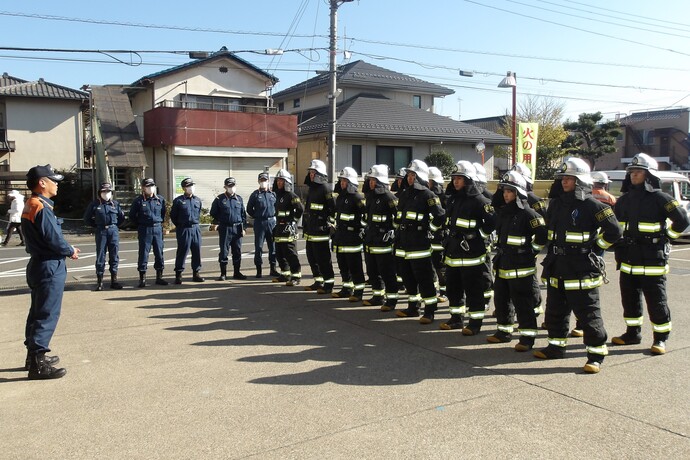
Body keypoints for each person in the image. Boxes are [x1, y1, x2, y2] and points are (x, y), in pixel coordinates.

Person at [535, 157, 622, 374]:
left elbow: (615, 231)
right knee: (556, 310)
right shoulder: (555, 204)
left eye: (569, 178)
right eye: (563, 177)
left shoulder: (594, 205)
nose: (564, 181)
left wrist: (595, 247)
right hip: (557, 265)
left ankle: (596, 354)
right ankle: (555, 347)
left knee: (588, 313)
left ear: (580, 180)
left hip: (581, 266)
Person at [612, 153, 689, 355]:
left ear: (649, 175)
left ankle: (660, 338)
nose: (633, 175)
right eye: (631, 172)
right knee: (629, 301)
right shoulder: (623, 201)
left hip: (652, 259)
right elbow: (617, 228)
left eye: (638, 172)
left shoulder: (661, 199)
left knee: (657, 301)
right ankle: (632, 334)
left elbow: (683, 221)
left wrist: (666, 237)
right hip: (629, 260)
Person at [21, 164, 80, 379]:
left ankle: (33, 356)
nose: (56, 184)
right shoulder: (42, 207)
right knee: (47, 313)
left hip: (38, 264)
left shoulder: (32, 204)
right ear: (42, 183)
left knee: (37, 312)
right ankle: (38, 364)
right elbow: (53, 239)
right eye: (53, 180)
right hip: (49, 265)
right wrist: (70, 250)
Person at [489, 171, 547, 350]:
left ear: (518, 193)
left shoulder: (529, 214)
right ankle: (504, 332)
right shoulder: (503, 213)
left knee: (523, 303)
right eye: (504, 191)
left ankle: (527, 338)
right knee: (502, 300)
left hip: (522, 268)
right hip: (503, 265)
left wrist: (532, 252)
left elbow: (543, 236)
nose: (506, 195)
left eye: (510, 191)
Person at [439, 161, 495, 334]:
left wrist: (479, 236)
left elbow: (493, 222)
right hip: (453, 250)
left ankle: (475, 323)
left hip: (472, 253)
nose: (456, 182)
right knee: (453, 287)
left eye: (460, 178)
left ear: (468, 180)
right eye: (454, 178)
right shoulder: (453, 199)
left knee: (474, 289)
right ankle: (456, 319)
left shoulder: (480, 201)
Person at [394, 160, 446, 323]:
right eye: (409, 175)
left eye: (413, 175)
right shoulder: (404, 194)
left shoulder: (428, 195)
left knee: (424, 279)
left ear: (420, 176)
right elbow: (399, 216)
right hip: (403, 243)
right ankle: (413, 307)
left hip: (420, 244)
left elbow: (440, 216)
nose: (410, 178)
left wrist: (428, 228)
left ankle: (430, 311)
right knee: (408, 277)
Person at [362, 164, 399, 310]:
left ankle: (391, 300)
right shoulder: (370, 197)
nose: (371, 183)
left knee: (387, 271)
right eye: (370, 180)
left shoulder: (389, 197)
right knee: (372, 271)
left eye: (373, 180)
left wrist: (391, 232)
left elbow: (398, 218)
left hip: (384, 242)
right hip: (371, 240)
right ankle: (377, 296)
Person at [331, 167, 366, 301]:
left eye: (344, 181)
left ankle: (358, 292)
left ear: (350, 182)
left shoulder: (357, 198)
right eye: (341, 180)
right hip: (341, 236)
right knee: (343, 265)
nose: (342, 183)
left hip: (352, 237)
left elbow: (364, 216)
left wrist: (359, 227)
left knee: (355, 266)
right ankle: (346, 288)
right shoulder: (340, 198)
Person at [302, 159, 336, 294]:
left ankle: (328, 283)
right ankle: (318, 280)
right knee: (311, 257)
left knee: (323, 258)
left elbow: (333, 209)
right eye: (310, 172)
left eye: (313, 172)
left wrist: (329, 223)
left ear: (320, 173)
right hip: (310, 230)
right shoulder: (311, 189)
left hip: (321, 230)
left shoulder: (325, 188)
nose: (311, 175)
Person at [82, 182, 125, 290]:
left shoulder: (115, 204)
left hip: (113, 231)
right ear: (99, 193)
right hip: (101, 231)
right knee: (100, 256)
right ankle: (100, 281)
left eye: (108, 191)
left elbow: (121, 218)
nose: (106, 193)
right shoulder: (95, 205)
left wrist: (114, 226)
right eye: (104, 191)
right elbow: (87, 219)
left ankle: (114, 280)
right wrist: (97, 226)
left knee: (114, 255)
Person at [129, 178, 169, 287]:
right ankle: (142, 278)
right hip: (145, 229)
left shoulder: (160, 199)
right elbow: (132, 216)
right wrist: (141, 223)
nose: (150, 188)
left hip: (157, 229)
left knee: (159, 253)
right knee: (143, 254)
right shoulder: (139, 201)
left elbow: (163, 213)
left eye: (152, 185)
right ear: (143, 188)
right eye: (148, 186)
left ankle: (159, 277)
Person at [210, 177, 247, 280]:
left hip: (237, 228)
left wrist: (244, 228)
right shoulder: (219, 199)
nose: (231, 188)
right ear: (225, 187)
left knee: (237, 251)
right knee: (224, 251)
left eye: (233, 186)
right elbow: (213, 213)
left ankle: (237, 272)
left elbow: (243, 215)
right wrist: (218, 222)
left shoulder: (239, 199)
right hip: (225, 228)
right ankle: (223, 273)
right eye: (229, 186)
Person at [271, 169, 304, 286]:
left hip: (288, 228)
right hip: (279, 227)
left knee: (290, 253)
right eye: (278, 180)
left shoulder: (291, 195)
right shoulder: (278, 195)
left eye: (281, 180)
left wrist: (294, 221)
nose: (279, 182)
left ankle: (296, 276)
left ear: (287, 182)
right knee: (280, 252)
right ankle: (285, 274)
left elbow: (300, 209)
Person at [170, 177, 205, 284]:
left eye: (192, 185)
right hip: (184, 229)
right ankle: (179, 274)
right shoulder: (178, 201)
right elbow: (173, 216)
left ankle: (196, 273)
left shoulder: (197, 200)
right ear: (184, 188)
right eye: (189, 186)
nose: (191, 188)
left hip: (195, 228)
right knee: (182, 251)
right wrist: (180, 225)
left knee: (196, 251)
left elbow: (198, 213)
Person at [247, 171, 278, 278]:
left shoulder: (273, 194)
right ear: (258, 181)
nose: (263, 182)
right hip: (260, 222)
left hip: (271, 222)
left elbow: (277, 207)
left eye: (265, 180)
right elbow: (249, 209)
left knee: (272, 247)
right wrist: (257, 215)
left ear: (268, 181)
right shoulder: (255, 195)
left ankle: (273, 269)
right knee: (258, 247)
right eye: (261, 180)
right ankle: (259, 270)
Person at [427, 167, 448, 303]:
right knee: (433, 265)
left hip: (439, 236)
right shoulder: (431, 195)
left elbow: (443, 217)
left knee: (440, 265)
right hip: (432, 236)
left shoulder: (441, 197)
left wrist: (432, 227)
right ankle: (438, 289)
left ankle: (444, 291)